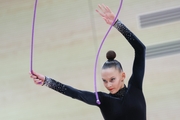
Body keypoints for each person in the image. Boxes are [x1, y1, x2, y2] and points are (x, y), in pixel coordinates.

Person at [30, 4, 146, 120]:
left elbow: (141, 49)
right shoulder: (102, 99)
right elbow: (76, 94)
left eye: (112, 79)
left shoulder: (135, 87)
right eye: (104, 81)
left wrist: (117, 24)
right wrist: (47, 81)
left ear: (122, 76)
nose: (108, 85)